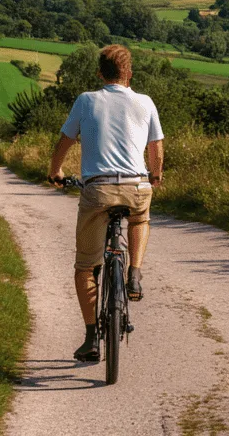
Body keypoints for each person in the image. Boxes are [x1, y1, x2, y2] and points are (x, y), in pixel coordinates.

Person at [48, 44, 164, 363]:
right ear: (129, 73)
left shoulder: (87, 100)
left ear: (100, 73)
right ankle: (135, 273)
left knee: (86, 265)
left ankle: (90, 339)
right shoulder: (146, 102)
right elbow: (155, 148)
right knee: (140, 220)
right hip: (137, 187)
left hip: (97, 191)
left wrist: (55, 170)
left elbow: (66, 140)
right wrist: (155, 176)